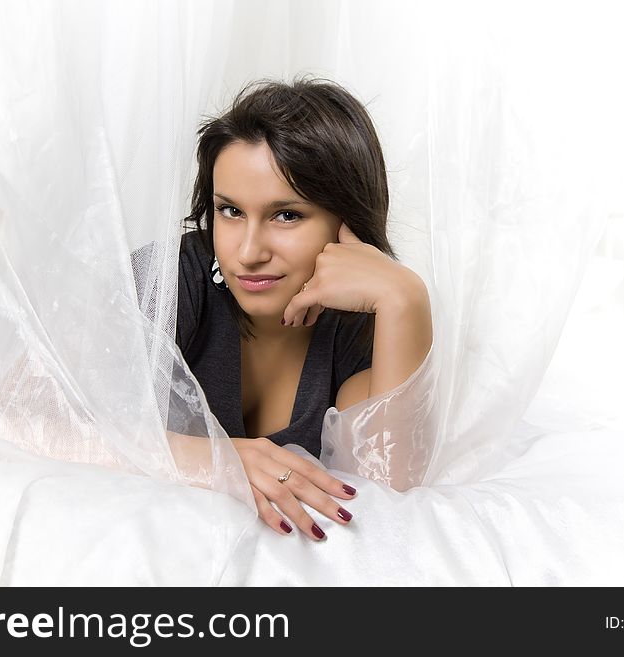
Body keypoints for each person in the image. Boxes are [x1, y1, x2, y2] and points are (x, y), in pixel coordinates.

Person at [170, 75, 433, 540]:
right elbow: (29, 411)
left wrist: (405, 299)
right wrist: (219, 461)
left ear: (347, 221)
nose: (248, 252)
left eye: (286, 215)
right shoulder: (177, 278)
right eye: (230, 211)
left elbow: (391, 492)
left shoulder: (361, 328)